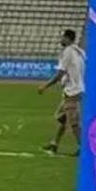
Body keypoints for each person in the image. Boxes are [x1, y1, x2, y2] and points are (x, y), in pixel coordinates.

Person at [38, 28, 86, 156]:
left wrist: (45, 86)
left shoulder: (68, 51)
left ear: (68, 38)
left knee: (74, 123)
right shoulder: (79, 51)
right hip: (75, 89)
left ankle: (83, 148)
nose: (61, 39)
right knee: (62, 118)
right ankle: (54, 144)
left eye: (63, 37)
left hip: (72, 92)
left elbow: (60, 74)